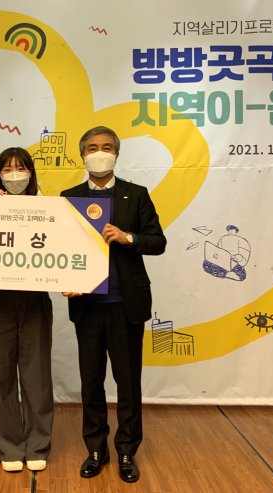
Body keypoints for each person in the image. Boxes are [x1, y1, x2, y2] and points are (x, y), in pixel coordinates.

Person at [60, 126, 166, 483]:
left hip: (126, 305)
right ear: (82, 155)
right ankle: (95, 449)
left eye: (106, 147)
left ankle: (126, 451)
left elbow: (158, 241)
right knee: (91, 383)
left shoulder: (136, 195)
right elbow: (60, 250)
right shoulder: (68, 198)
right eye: (92, 148)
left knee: (128, 384)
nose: (99, 153)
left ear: (117, 154)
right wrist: (63, 279)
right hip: (88, 307)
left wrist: (128, 237)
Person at [0, 147, 54, 473]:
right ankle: (8, 446)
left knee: (37, 377)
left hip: (35, 301)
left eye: (20, 168)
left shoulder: (49, 208)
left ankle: (37, 445)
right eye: (7, 169)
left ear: (31, 173)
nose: (14, 174)